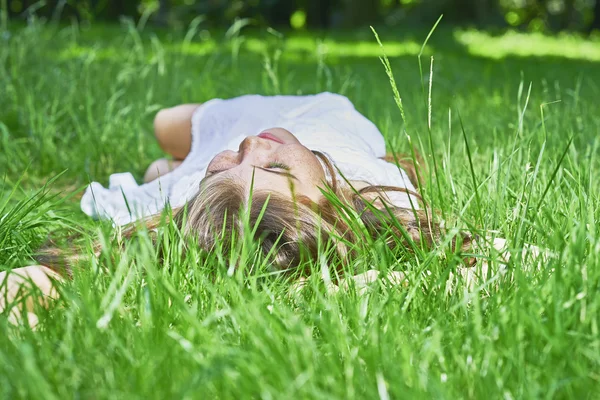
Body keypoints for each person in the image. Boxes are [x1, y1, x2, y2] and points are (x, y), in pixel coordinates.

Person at [0, 92, 538, 327]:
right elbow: (516, 257)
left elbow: (36, 284)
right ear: (332, 210)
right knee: (166, 137)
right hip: (274, 135)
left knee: (163, 151)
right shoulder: (382, 201)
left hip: (207, 175)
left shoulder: (217, 189)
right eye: (278, 171)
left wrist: (211, 173)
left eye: (238, 166)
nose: (254, 148)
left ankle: (175, 171)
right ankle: (175, 166)